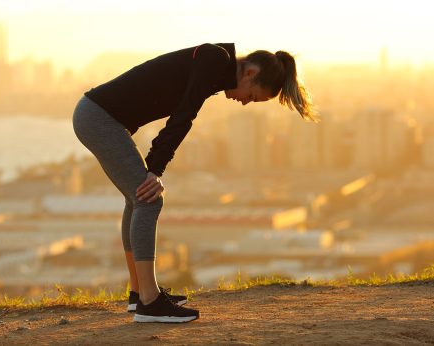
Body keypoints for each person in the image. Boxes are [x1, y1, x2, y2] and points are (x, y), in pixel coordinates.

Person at [72, 42, 318, 323]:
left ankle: (139, 293)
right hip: (99, 118)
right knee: (149, 198)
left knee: (137, 197)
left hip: (98, 116)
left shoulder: (214, 64)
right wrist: (155, 169)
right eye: (252, 96)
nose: (246, 102)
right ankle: (149, 303)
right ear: (250, 73)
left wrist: (151, 166)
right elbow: (184, 115)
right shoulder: (214, 59)